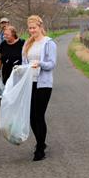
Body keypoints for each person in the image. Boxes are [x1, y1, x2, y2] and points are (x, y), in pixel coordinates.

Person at [22, 15, 57, 161]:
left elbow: (52, 64)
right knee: (31, 117)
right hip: (30, 82)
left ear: (40, 27)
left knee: (38, 115)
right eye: (30, 28)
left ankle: (40, 148)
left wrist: (40, 63)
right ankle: (40, 142)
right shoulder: (27, 44)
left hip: (43, 83)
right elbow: (25, 62)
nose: (32, 31)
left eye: (34, 28)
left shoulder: (49, 43)